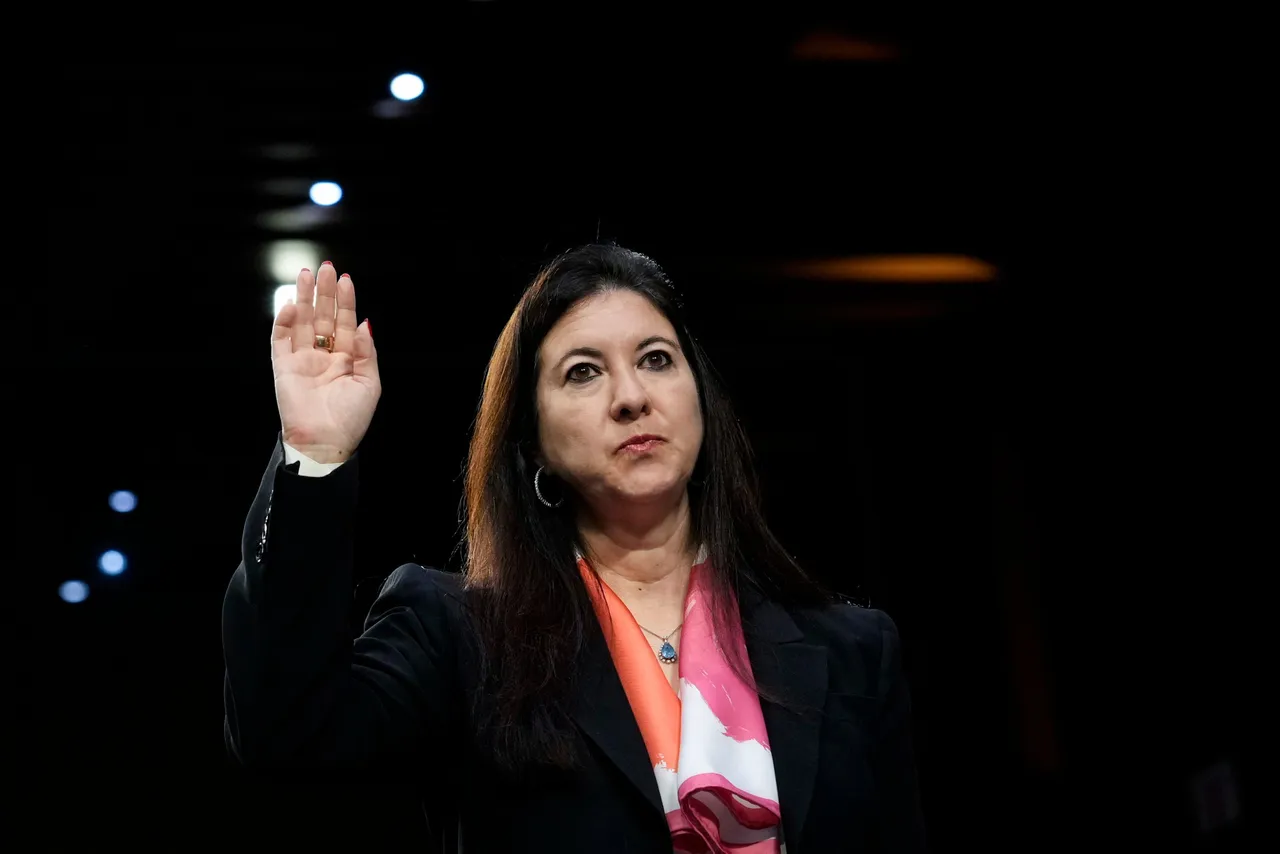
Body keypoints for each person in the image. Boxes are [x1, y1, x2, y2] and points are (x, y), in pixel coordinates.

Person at [222, 243, 927, 852]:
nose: (630, 397)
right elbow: (289, 734)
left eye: (656, 359)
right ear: (534, 445)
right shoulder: (462, 636)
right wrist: (313, 459)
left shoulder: (852, 650)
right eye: (582, 372)